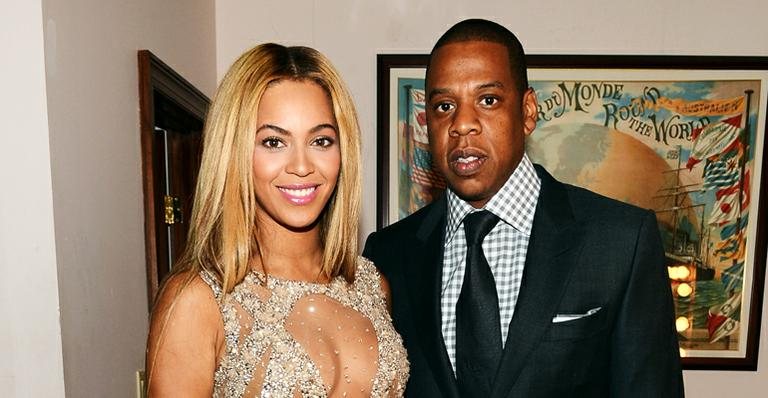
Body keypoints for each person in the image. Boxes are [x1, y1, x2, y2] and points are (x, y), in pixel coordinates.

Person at [363, 19, 684, 397]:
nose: (462, 124)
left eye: (488, 100)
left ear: (528, 111)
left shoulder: (621, 242)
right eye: (444, 106)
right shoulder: (386, 256)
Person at [146, 43, 409, 397]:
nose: (301, 166)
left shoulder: (370, 284)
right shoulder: (197, 299)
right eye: (273, 142)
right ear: (234, 151)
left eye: (321, 140)